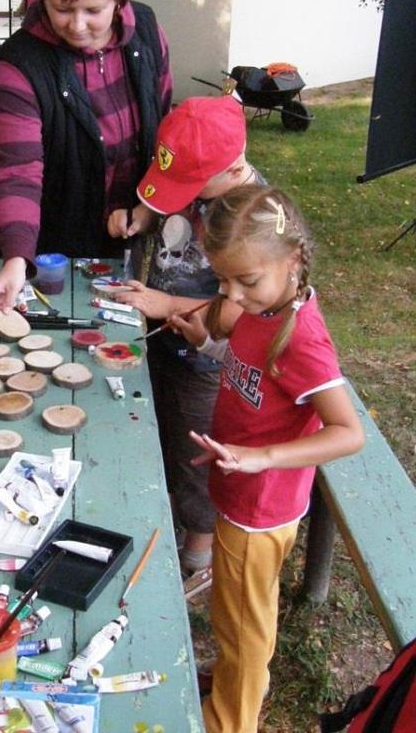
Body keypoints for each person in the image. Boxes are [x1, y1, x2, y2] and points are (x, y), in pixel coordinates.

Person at [169, 186, 364, 733]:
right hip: (237, 497)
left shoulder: (302, 338)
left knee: (248, 625)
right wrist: (209, 345)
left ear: (292, 260)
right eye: (223, 280)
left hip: (263, 511)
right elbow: (250, 369)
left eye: (245, 281)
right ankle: (232, 672)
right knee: (231, 611)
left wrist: (262, 457)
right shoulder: (264, 304)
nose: (232, 294)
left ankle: (233, 719)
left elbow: (348, 433)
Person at [0, 0, 173, 323]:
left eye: (93, 10)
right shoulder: (20, 66)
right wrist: (17, 259)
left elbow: (166, 131)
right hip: (50, 250)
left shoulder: (148, 33)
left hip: (127, 234)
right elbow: (16, 172)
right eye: (63, 8)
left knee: (115, 344)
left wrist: (151, 204)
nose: (77, 25)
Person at [110, 95, 265, 575]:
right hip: (166, 338)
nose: (186, 194)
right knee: (165, 431)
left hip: (209, 360)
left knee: (198, 452)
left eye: (191, 186)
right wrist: (144, 214)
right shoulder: (208, 178)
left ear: (232, 167)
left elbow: (247, 312)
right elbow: (171, 197)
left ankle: (198, 552)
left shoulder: (253, 221)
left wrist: (169, 305)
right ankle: (167, 514)